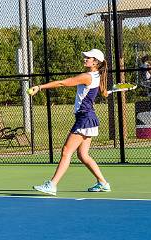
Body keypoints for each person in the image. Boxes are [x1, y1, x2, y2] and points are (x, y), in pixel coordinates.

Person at [29, 49, 110, 195]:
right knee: (83, 155)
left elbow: (62, 83)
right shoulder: (98, 76)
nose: (85, 58)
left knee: (66, 151)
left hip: (85, 118)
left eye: (88, 57)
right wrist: (107, 92)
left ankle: (52, 185)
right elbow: (104, 93)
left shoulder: (87, 76)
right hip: (88, 117)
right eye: (85, 56)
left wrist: (40, 87)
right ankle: (103, 183)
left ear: (95, 62)